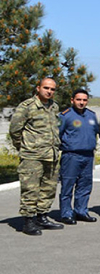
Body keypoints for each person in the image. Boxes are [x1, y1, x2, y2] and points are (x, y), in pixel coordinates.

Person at [9, 78, 64, 235]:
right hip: (32, 156)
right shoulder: (27, 107)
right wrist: (25, 147)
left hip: (51, 155)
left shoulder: (54, 107)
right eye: (46, 88)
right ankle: (28, 221)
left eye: (52, 89)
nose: (49, 91)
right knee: (30, 189)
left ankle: (42, 216)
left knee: (48, 187)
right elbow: (15, 130)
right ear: (38, 88)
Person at [58, 88, 100, 225]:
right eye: (78, 100)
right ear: (72, 100)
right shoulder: (65, 116)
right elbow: (57, 135)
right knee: (68, 186)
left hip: (88, 156)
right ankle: (66, 213)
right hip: (71, 156)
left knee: (85, 185)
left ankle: (81, 211)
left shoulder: (91, 115)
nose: (81, 102)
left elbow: (96, 132)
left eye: (84, 100)